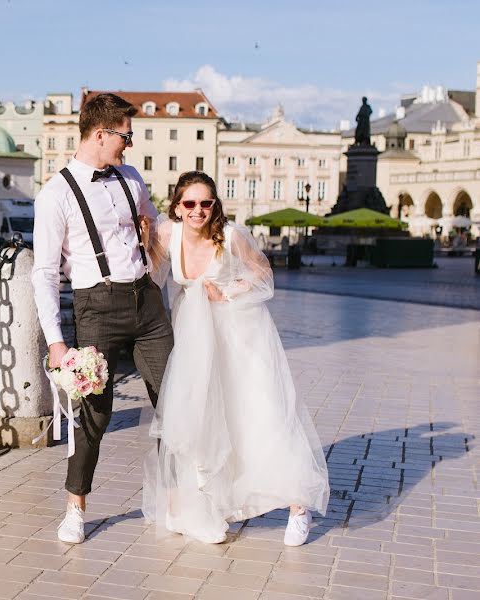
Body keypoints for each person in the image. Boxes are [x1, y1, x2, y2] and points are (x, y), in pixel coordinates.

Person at [142, 171, 329, 546]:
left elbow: (263, 273)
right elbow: (149, 273)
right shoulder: (167, 234)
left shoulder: (230, 236)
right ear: (177, 207)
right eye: (190, 203)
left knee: (262, 417)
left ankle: (298, 507)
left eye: (206, 203)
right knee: (205, 423)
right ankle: (210, 503)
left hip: (238, 337)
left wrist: (228, 292)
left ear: (215, 205)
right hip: (194, 342)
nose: (198, 211)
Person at [32, 93, 173, 544]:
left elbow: (153, 230)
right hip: (95, 305)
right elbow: (45, 273)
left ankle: (182, 495)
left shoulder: (131, 179)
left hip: (146, 302)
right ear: (100, 134)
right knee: (94, 412)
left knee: (176, 397)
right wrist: (56, 341)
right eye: (125, 136)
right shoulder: (55, 195)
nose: (129, 145)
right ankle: (76, 506)